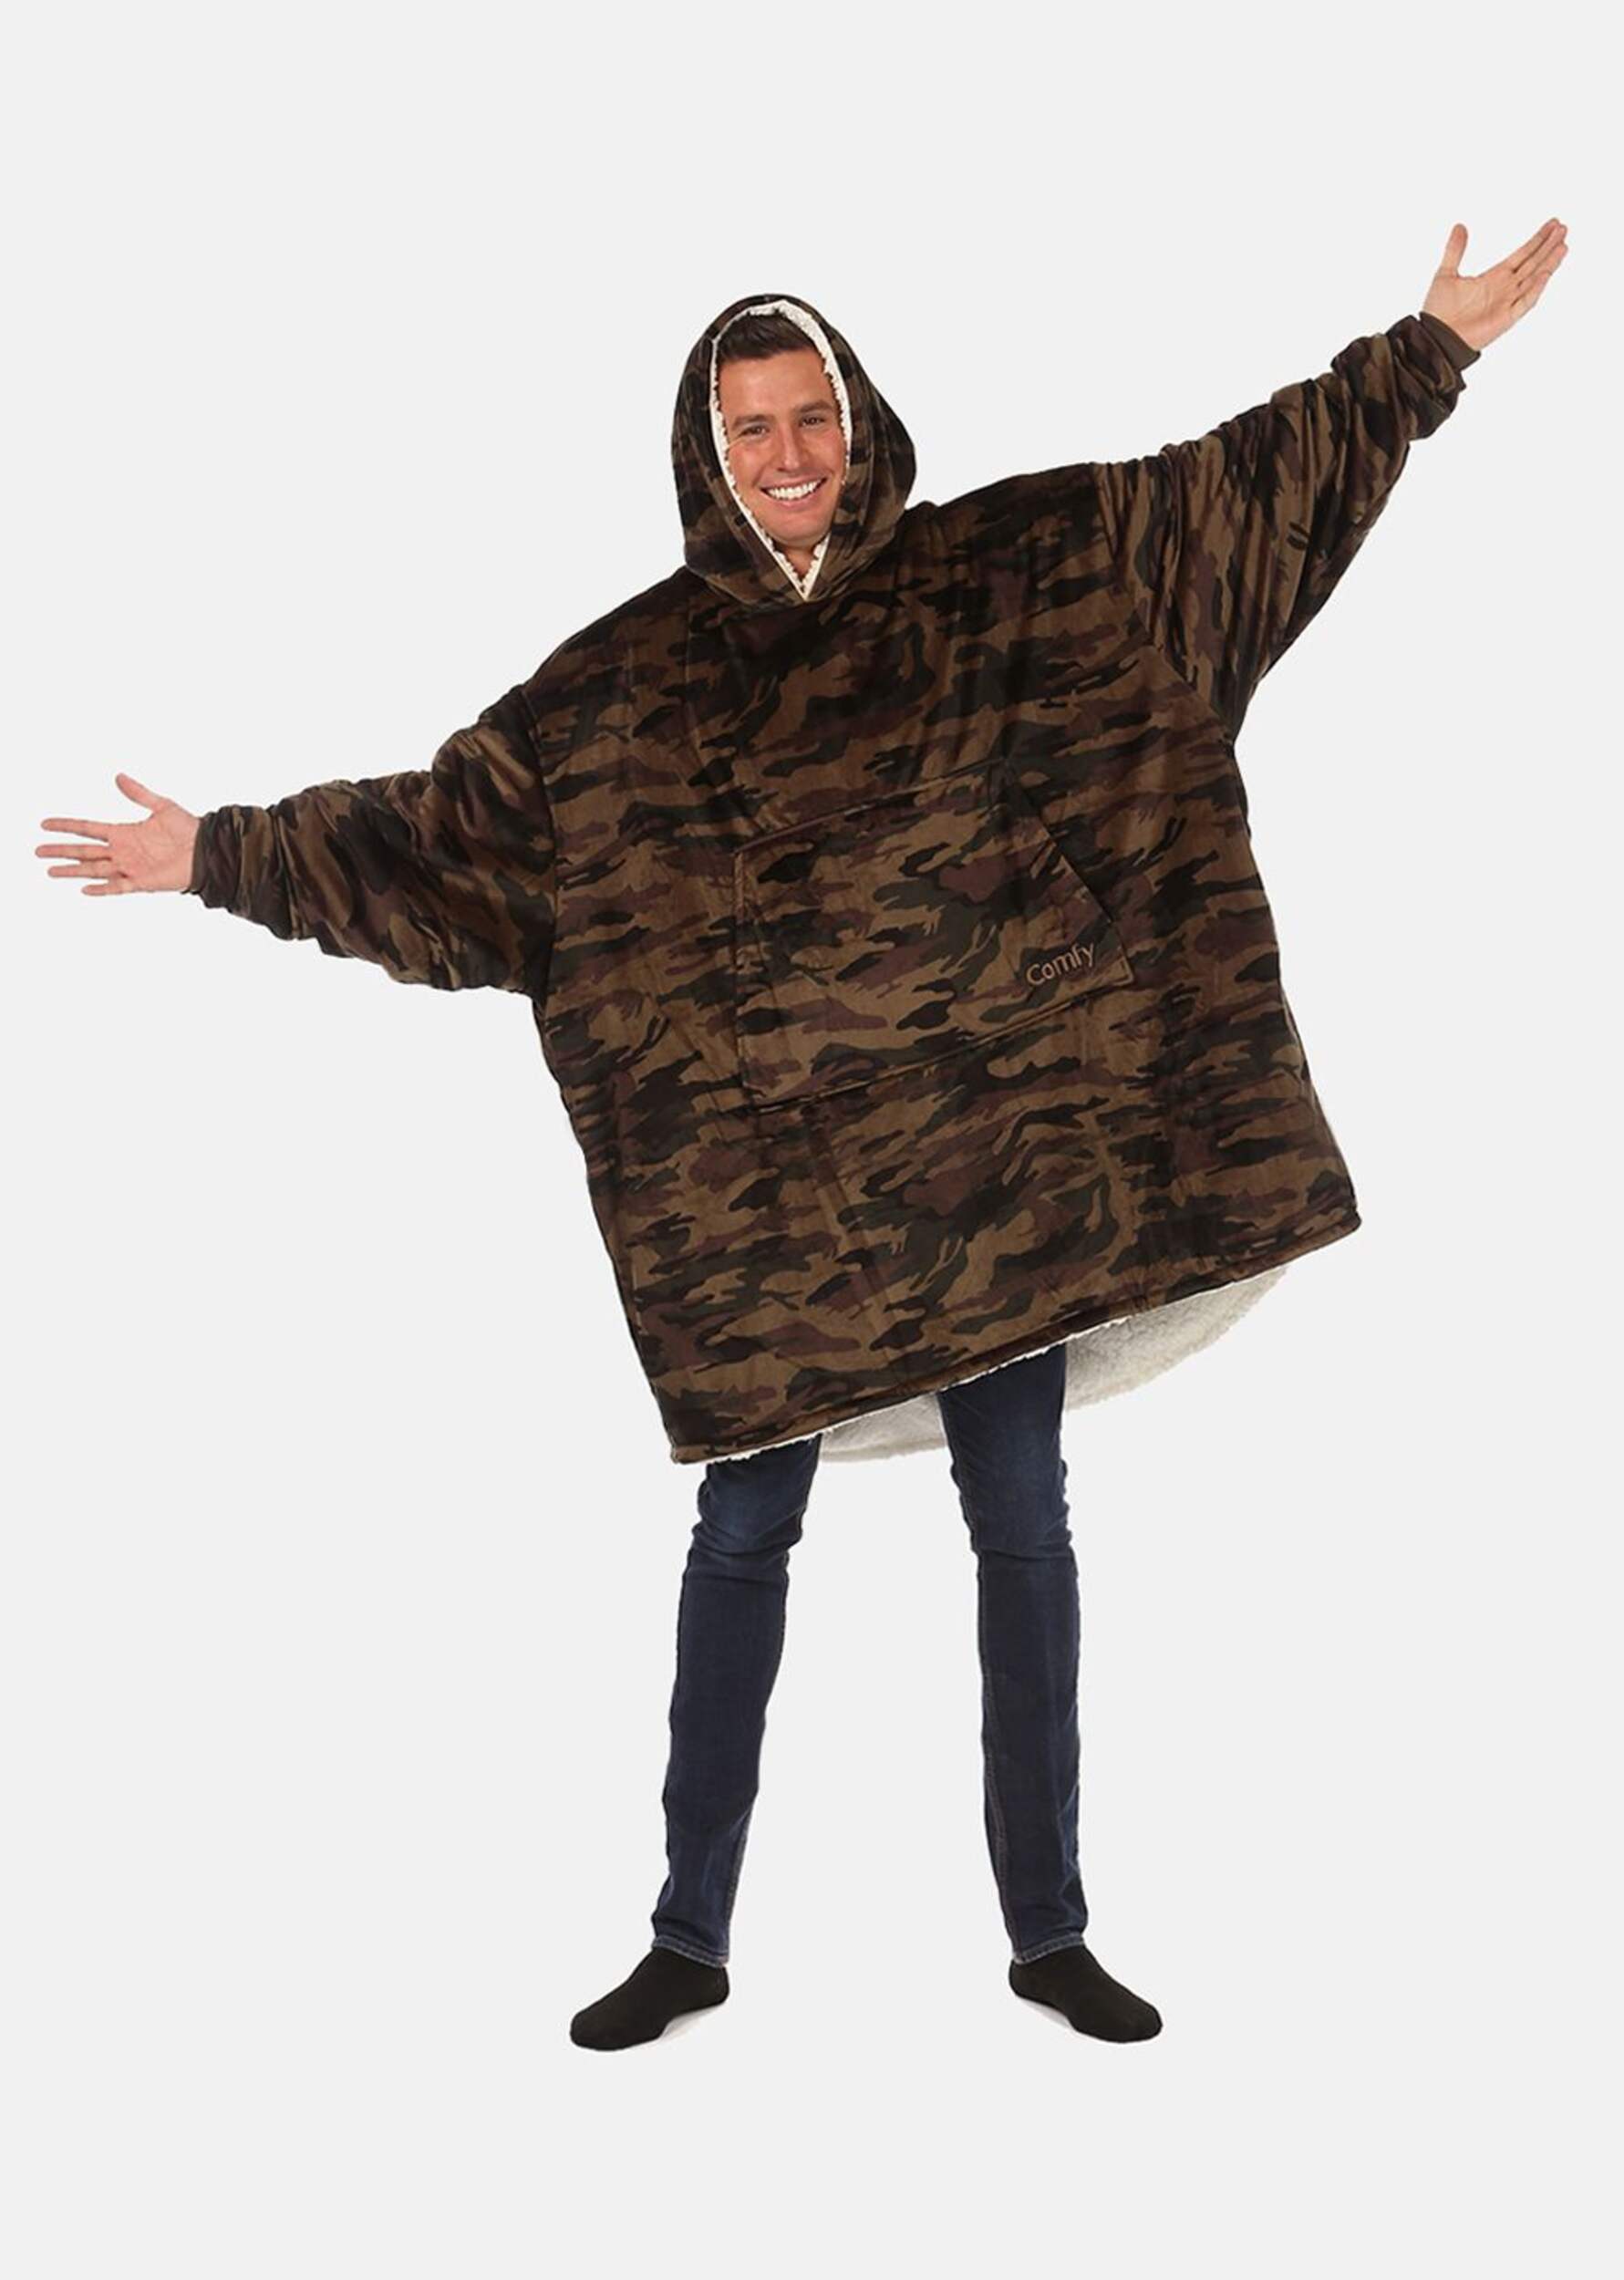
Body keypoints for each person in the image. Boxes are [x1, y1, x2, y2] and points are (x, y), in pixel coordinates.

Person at [37, 221, 1567, 2051]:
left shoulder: (1025, 570)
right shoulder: (617, 696)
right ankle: (687, 1938)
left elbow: (1243, 497)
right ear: (707, 450)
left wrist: (1422, 354)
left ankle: (1050, 1933)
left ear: (859, 420)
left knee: (1022, 1523)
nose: (787, 453)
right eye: (749, 426)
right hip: (773, 1221)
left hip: (1002, 1182)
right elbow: (439, 841)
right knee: (743, 1533)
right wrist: (218, 852)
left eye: (810, 415)